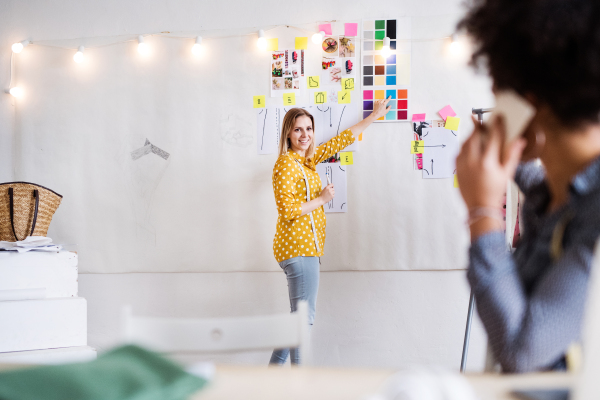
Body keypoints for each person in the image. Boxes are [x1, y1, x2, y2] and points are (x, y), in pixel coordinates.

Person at [456, 0, 600, 372]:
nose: (495, 104)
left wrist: (482, 213)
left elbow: (522, 350)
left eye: (498, 92)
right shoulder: (558, 191)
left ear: (529, 102)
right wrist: (503, 154)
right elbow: (544, 184)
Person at [269, 100, 390, 365]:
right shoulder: (286, 164)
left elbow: (342, 140)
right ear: (288, 133)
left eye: (309, 129)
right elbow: (287, 210)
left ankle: (269, 379)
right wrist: (322, 199)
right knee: (304, 319)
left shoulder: (306, 161)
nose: (305, 135)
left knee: (296, 320)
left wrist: (374, 116)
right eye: (298, 130)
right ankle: (298, 387)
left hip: (306, 249)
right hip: (299, 249)